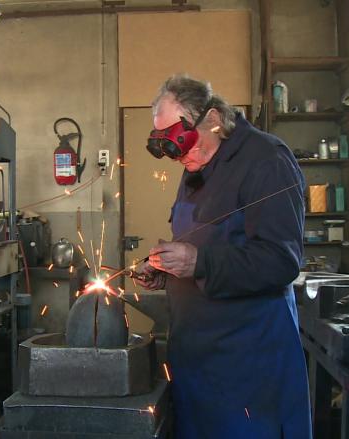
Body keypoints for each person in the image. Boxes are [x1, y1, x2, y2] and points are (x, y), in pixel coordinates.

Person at [136, 75, 312, 438]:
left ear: (213, 119)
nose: (178, 155)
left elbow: (280, 261)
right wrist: (167, 269)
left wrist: (198, 263)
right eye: (169, 146)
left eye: (180, 141)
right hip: (198, 361)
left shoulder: (267, 160)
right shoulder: (196, 163)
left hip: (248, 367)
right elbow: (203, 243)